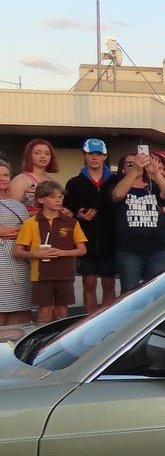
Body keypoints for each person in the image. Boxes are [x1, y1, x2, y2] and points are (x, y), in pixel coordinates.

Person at [13, 181, 87, 324]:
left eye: (60, 197)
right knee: (44, 311)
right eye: (53, 197)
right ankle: (42, 344)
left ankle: (62, 343)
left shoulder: (71, 222)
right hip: (41, 275)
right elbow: (17, 251)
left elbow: (82, 249)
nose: (58, 200)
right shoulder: (31, 223)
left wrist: (61, 253)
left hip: (65, 274)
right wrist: (36, 254)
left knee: (62, 311)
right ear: (41, 199)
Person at [63, 139, 117, 314]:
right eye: (91, 154)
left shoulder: (115, 181)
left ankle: (108, 320)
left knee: (109, 283)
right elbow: (68, 210)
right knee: (89, 283)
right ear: (85, 156)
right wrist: (79, 214)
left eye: (98, 154)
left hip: (110, 239)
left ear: (105, 156)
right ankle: (88, 320)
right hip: (85, 239)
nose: (94, 158)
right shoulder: (74, 183)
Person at [110, 152, 165, 292]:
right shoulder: (118, 185)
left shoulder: (152, 186)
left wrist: (156, 172)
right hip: (129, 250)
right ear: (122, 169)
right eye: (130, 164)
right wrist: (134, 171)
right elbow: (117, 195)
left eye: (139, 162)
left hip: (158, 248)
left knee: (156, 290)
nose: (136, 165)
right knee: (130, 291)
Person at [0, 160, 33, 325]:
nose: (2, 178)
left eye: (5, 175)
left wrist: (19, 232)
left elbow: (29, 230)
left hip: (19, 262)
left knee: (20, 314)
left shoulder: (19, 206)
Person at [8, 139, 59, 214]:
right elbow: (10, 210)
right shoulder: (21, 180)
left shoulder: (52, 181)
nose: (43, 156)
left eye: (47, 153)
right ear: (29, 156)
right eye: (37, 153)